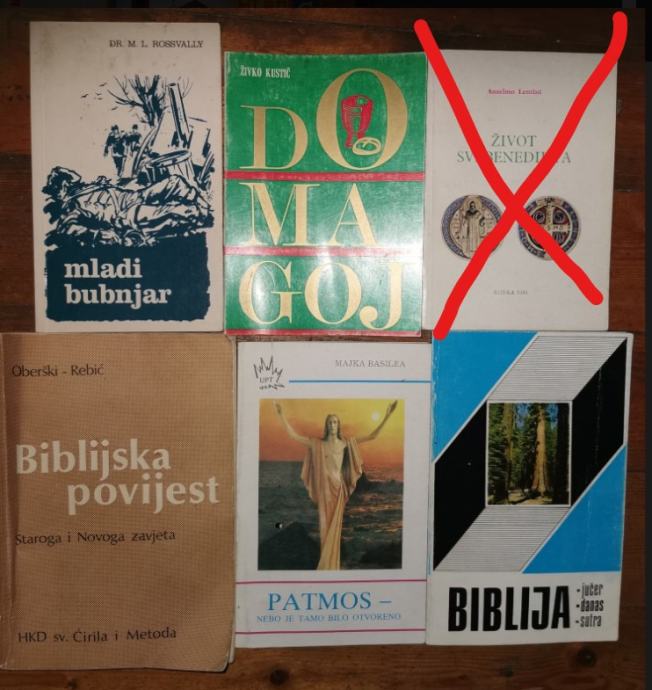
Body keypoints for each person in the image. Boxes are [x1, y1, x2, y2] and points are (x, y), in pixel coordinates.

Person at [274, 400, 398, 570]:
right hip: (324, 490)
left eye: (335, 422)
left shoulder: (344, 443)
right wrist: (281, 415)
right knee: (325, 527)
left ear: (338, 426)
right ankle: (326, 565)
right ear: (327, 426)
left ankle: (331, 565)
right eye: (330, 422)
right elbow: (293, 436)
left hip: (337, 489)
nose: (332, 425)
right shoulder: (318, 444)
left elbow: (372, 436)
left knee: (335, 528)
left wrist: (387, 415)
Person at [42, 165, 212, 247]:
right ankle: (202, 215)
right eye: (68, 180)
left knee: (175, 182)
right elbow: (68, 227)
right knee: (177, 212)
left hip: (135, 196)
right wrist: (100, 236)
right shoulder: (73, 204)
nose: (74, 180)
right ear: (63, 186)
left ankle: (205, 208)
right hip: (126, 214)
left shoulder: (87, 188)